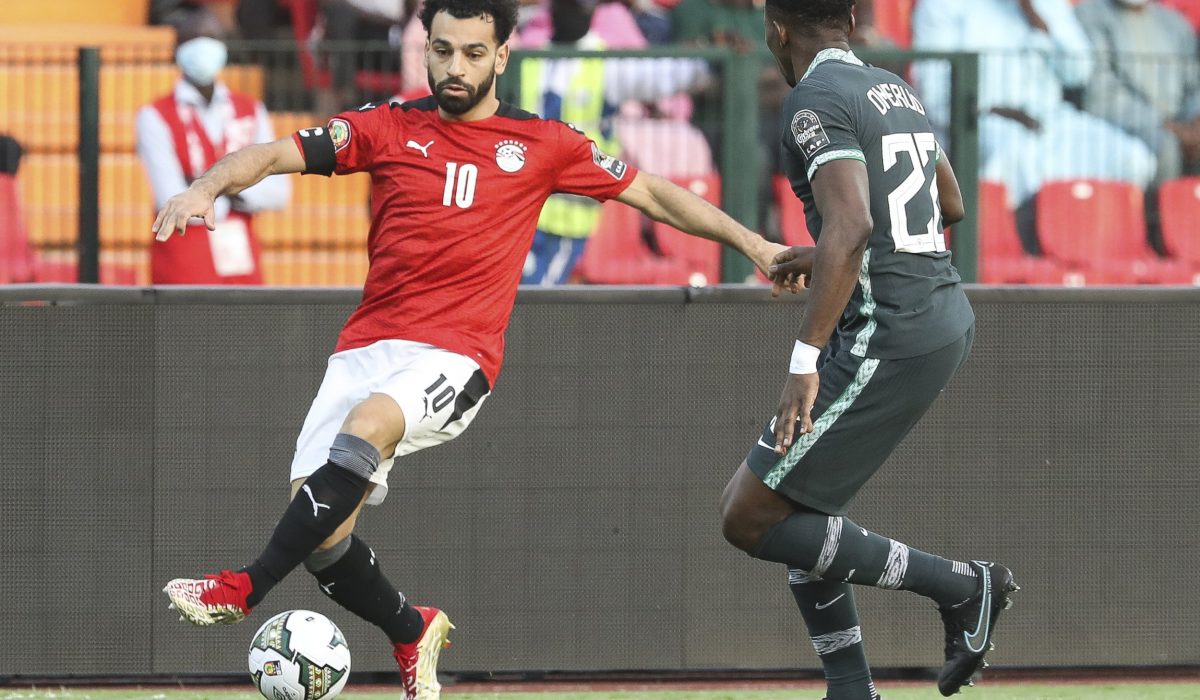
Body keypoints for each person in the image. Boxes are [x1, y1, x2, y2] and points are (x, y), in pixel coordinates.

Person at [155, 1, 785, 698]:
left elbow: (656, 195)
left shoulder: (544, 143)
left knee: (367, 429)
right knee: (324, 539)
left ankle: (243, 587)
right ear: (426, 48)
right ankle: (409, 627)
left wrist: (757, 244)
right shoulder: (388, 126)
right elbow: (276, 152)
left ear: (504, 55)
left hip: (456, 356)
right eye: (444, 50)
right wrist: (205, 185)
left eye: (474, 53)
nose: (456, 67)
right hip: (366, 347)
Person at [718, 1, 1018, 699]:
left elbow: (851, 226)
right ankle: (850, 690)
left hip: (892, 331)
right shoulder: (893, 88)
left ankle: (964, 586)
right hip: (933, 315)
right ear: (851, 22)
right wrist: (820, 253)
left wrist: (803, 361)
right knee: (797, 507)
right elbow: (949, 202)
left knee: (749, 514)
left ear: (778, 30)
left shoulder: (813, 99)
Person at [912, 0, 1156, 249]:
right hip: (983, 121)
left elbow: (1080, 72)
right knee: (1013, 159)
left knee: (1133, 158)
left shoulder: (1047, 4)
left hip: (1052, 120)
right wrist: (992, 112)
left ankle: (1093, 254)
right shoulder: (940, 5)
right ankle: (1024, 253)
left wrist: (1034, 15)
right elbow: (936, 94)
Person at [519, 0, 710, 285]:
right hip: (522, 207)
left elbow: (667, 76)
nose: (578, 8)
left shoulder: (607, 63)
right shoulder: (530, 57)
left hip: (567, 217)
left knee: (537, 300)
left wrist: (705, 58)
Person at [136, 5, 290, 284]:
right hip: (183, 263)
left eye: (211, 37)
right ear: (177, 51)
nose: (202, 46)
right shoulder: (155, 115)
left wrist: (205, 189)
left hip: (240, 263)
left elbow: (278, 192)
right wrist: (240, 185)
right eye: (192, 39)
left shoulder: (251, 110)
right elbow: (168, 196)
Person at [1075, 0, 1200, 184]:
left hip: (1179, 125)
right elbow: (1100, 92)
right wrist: (1164, 126)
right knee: (1165, 146)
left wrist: (1195, 122)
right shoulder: (1090, 15)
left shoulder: (1174, 23)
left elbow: (1194, 83)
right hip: (1124, 125)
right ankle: (1154, 211)